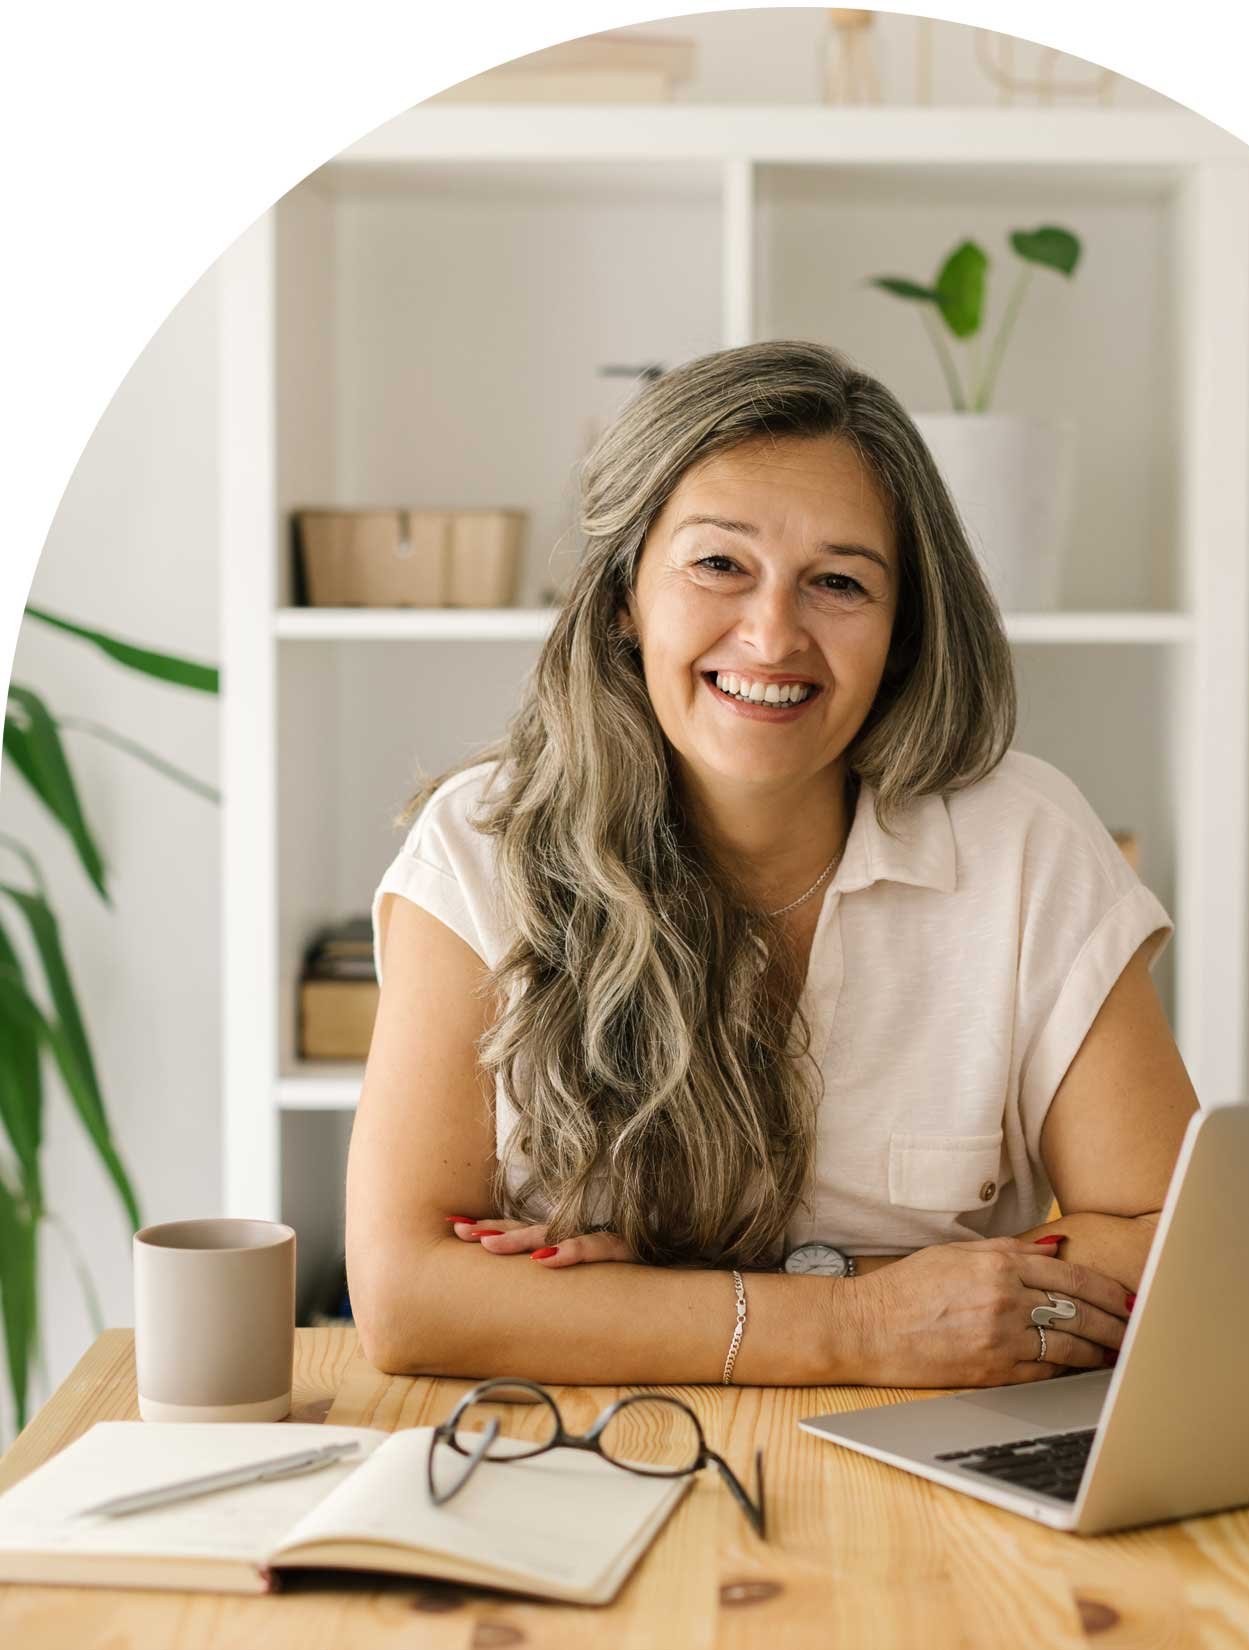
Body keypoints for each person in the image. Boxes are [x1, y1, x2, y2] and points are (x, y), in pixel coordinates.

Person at [345, 339, 1199, 1390]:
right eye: (718, 565)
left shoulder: (1028, 840)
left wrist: (665, 1298)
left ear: (902, 630)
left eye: (838, 583)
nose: (772, 634)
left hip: (940, 1471)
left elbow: (1175, 1248)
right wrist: (861, 1323)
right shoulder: (478, 846)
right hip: (578, 1451)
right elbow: (405, 1298)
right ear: (623, 594)